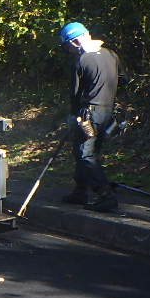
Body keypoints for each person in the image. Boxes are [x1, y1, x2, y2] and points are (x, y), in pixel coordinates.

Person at [58, 22, 120, 213]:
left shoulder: (81, 60)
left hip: (90, 113)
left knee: (85, 153)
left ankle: (106, 195)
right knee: (88, 151)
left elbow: (75, 94)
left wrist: (74, 115)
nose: (68, 50)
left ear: (75, 42)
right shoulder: (111, 54)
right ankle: (80, 191)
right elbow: (123, 79)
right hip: (108, 111)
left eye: (67, 46)